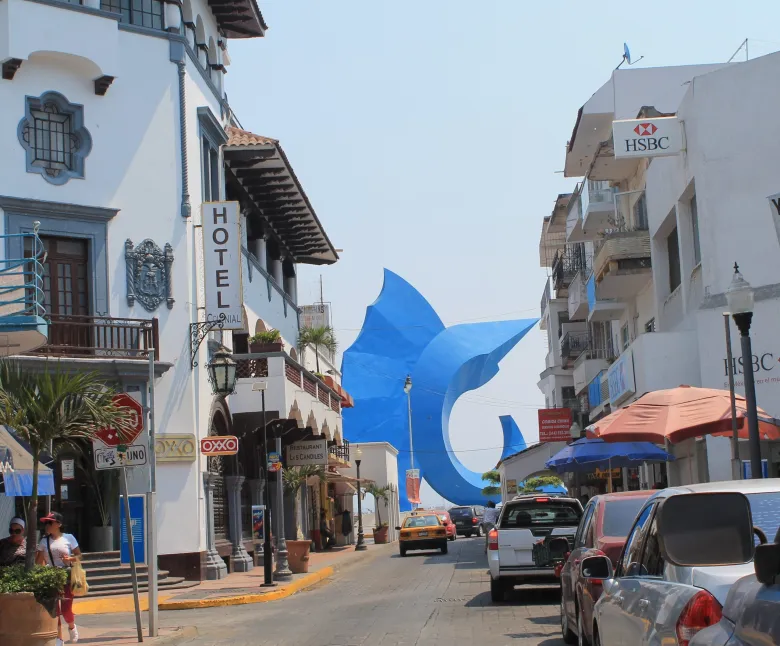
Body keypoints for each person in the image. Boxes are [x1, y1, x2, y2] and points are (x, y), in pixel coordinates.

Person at [37, 512, 81, 645]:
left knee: (66, 610)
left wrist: (70, 558)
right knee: (55, 611)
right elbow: (38, 563)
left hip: (66, 577)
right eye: (46, 523)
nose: (47, 525)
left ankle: (72, 626)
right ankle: (59, 639)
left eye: (50, 522)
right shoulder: (43, 541)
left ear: (59, 524)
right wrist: (41, 562)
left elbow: (80, 556)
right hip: (51, 577)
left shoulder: (69, 538)